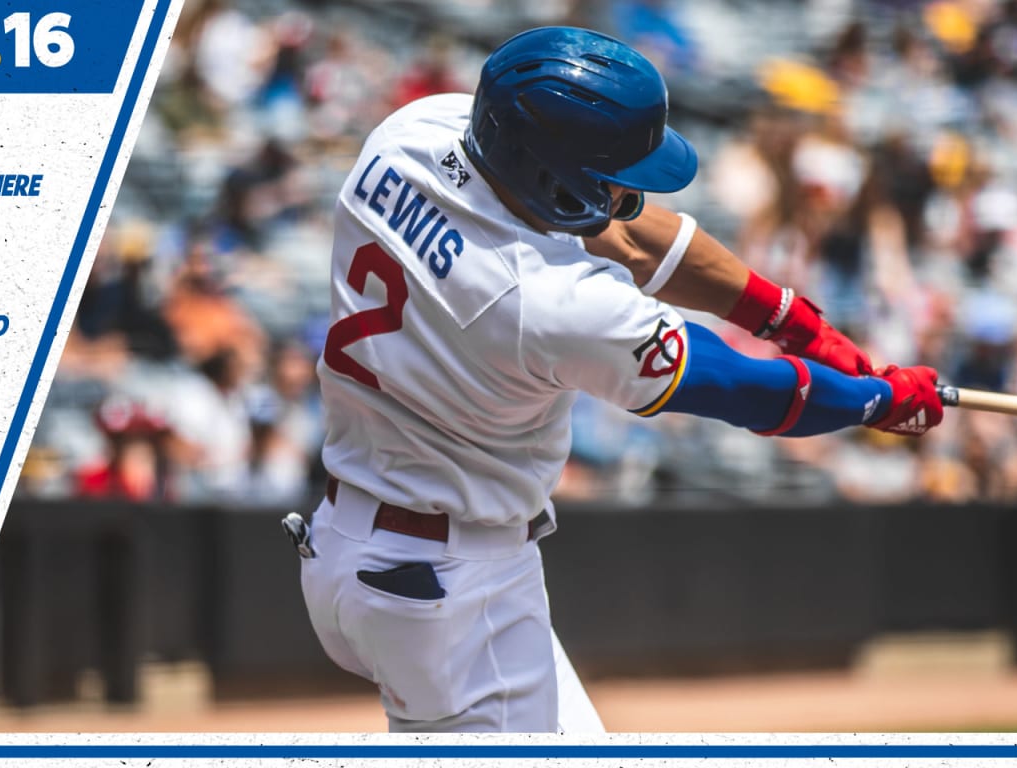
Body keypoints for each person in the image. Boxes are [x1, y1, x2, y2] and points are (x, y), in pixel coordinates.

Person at [293, 26, 944, 733]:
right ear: (554, 178)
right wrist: (876, 400)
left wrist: (790, 318)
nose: (627, 190)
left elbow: (629, 231)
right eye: (612, 176)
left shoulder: (413, 131)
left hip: (361, 541)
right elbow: (743, 388)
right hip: (446, 585)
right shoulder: (546, 302)